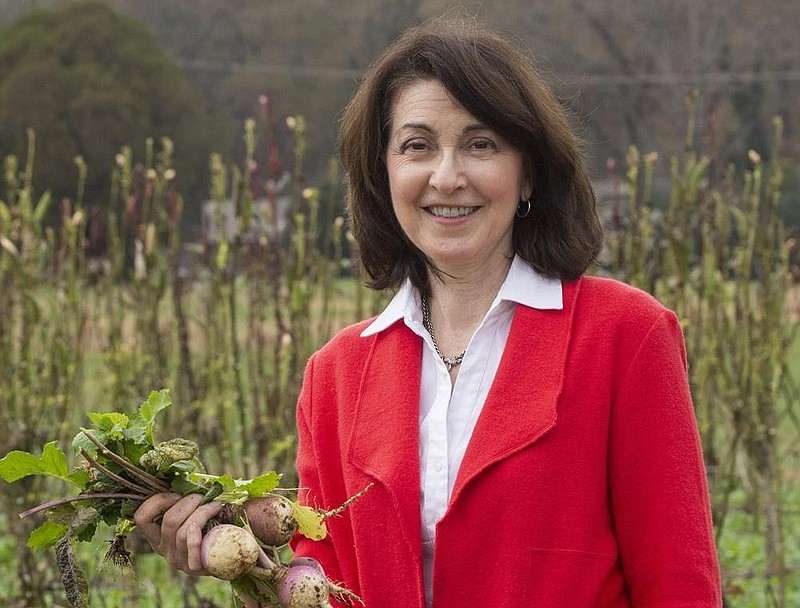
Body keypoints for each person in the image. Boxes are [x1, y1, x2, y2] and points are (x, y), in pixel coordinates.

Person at [134, 17, 722, 608]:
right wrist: (255, 572)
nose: (447, 177)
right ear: (384, 174)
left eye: (480, 144)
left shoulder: (626, 334)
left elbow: (680, 586)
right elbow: (332, 586)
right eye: (418, 146)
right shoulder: (335, 377)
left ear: (529, 173)